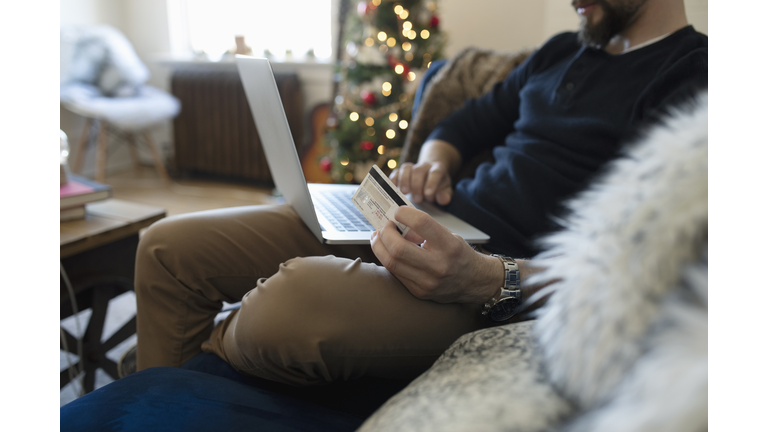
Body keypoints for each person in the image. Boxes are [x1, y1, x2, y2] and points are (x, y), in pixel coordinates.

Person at [131, 0, 707, 386]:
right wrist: (434, 164)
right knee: (166, 247)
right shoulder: (560, 52)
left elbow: (651, 265)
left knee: (288, 307)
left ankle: (185, 370)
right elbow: (460, 126)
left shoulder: (696, 76)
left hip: (489, 283)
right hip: (430, 222)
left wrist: (486, 277)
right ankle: (160, 399)